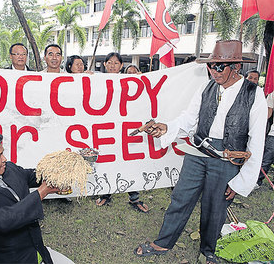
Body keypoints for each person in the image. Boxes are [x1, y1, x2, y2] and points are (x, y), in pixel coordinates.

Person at [133, 40, 267, 264]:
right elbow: (188, 118)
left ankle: (209, 250)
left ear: (236, 67)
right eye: (211, 66)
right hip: (198, 153)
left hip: (227, 159)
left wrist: (241, 181)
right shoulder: (206, 87)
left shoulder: (254, 94)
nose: (213, 71)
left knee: (215, 207)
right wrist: (166, 127)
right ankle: (163, 242)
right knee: (180, 198)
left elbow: (256, 141)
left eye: (219, 67)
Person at [0, 131, 74, 264]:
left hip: (36, 251)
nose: (4, 159)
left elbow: (31, 176)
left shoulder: (8, 168)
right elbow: (2, 221)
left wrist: (57, 172)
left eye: (3, 153)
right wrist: (41, 192)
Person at [95, 52, 149, 213]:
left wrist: (142, 79)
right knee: (107, 161)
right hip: (105, 129)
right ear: (104, 64)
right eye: (109, 62)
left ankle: (135, 197)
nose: (112, 65)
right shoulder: (96, 80)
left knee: (128, 162)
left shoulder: (129, 82)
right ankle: (105, 193)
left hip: (124, 129)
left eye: (116, 63)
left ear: (121, 66)